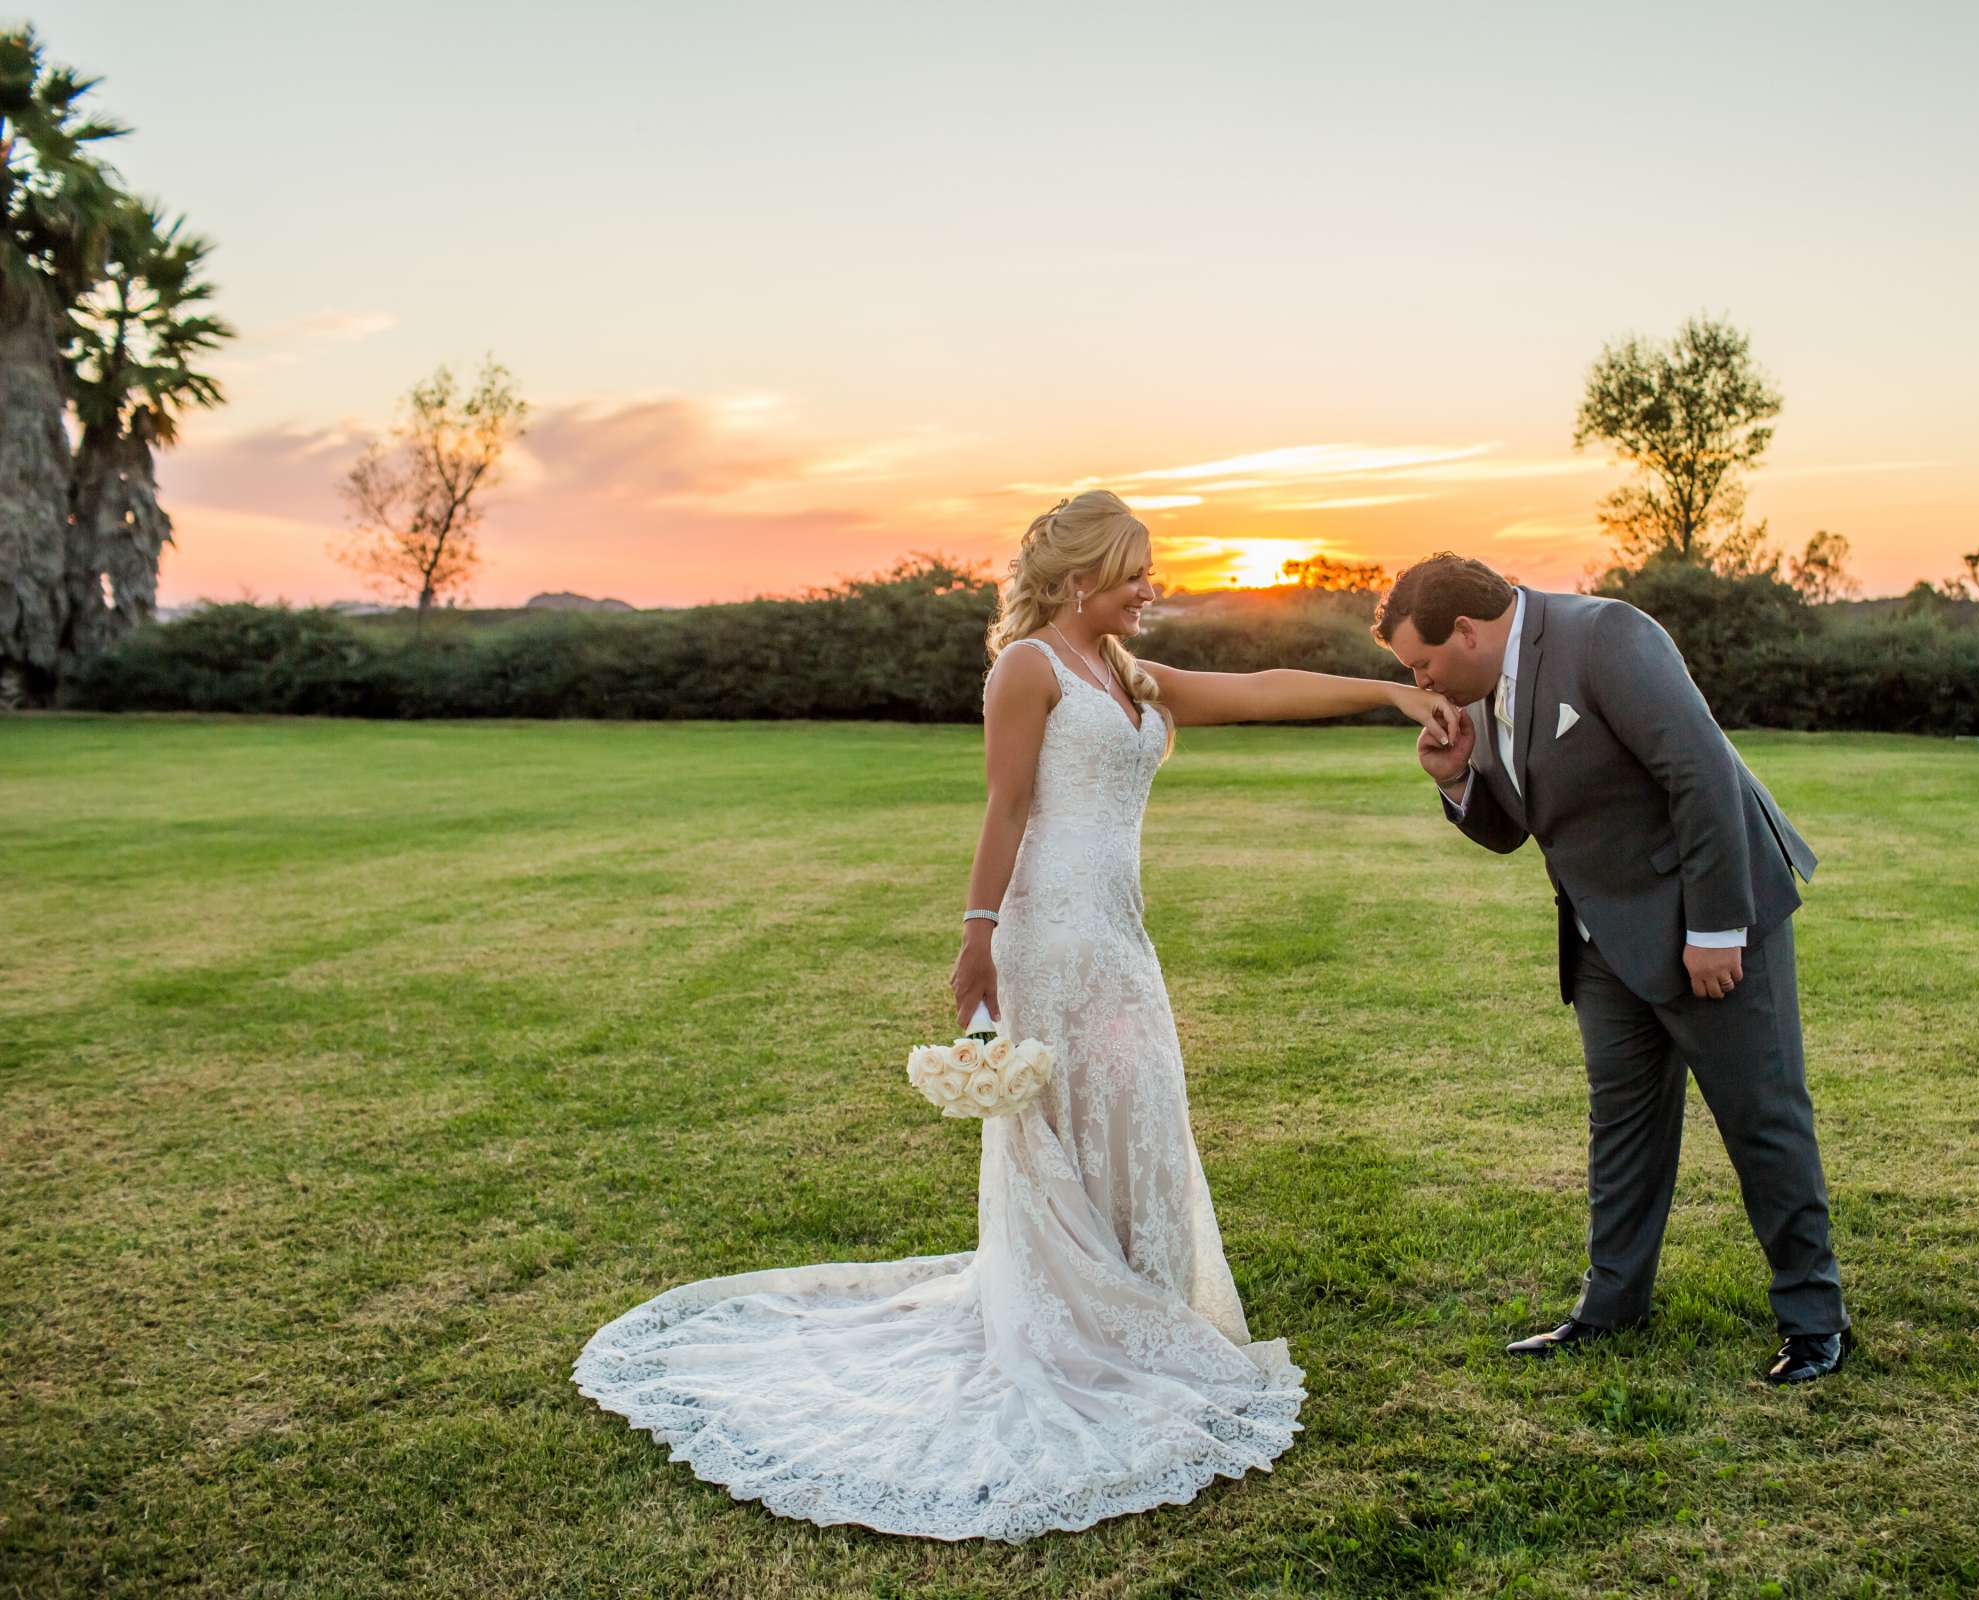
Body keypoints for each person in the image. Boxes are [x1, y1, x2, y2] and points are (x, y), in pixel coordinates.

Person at [576, 490, 1463, 1540]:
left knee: (1136, 1103)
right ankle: (1071, 1320)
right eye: (1135, 571)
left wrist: (1389, 697)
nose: (1151, 586)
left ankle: (1136, 1301)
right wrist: (976, 937)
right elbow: (1003, 806)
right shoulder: (1028, 669)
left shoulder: (1127, 673)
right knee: (1065, 1118)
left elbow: (1259, 686)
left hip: (1120, 937)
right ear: (1081, 577)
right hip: (1048, 936)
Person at [1377, 552, 1851, 1384]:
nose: (1423, 682)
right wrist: (1456, 781)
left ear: (1467, 630)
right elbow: (1518, 827)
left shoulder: (1609, 636)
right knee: (1621, 1131)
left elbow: (1699, 774)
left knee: (1763, 1120)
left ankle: (1814, 1320)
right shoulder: (1481, 691)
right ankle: (1612, 1307)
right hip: (1603, 941)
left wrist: (1716, 926)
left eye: (1423, 663)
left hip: (1711, 920)